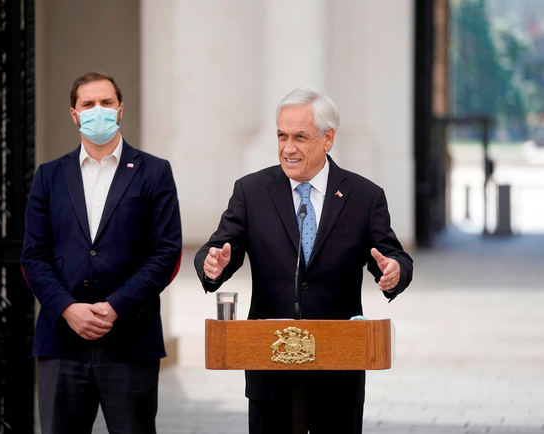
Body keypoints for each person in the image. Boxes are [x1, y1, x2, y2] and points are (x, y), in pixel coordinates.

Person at [194, 88, 413, 434]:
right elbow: (219, 248)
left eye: (300, 137)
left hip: (338, 372)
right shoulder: (251, 191)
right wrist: (212, 264)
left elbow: (392, 255)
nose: (288, 148)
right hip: (270, 367)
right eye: (281, 136)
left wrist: (395, 271)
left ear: (328, 138)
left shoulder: (364, 196)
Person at [21, 71, 182, 434]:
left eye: (106, 103)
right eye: (88, 104)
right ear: (74, 114)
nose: (98, 111)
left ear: (120, 109)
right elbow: (33, 256)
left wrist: (115, 307)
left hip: (130, 340)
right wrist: (67, 308)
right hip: (61, 343)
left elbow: (166, 253)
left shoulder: (154, 172)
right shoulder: (49, 176)